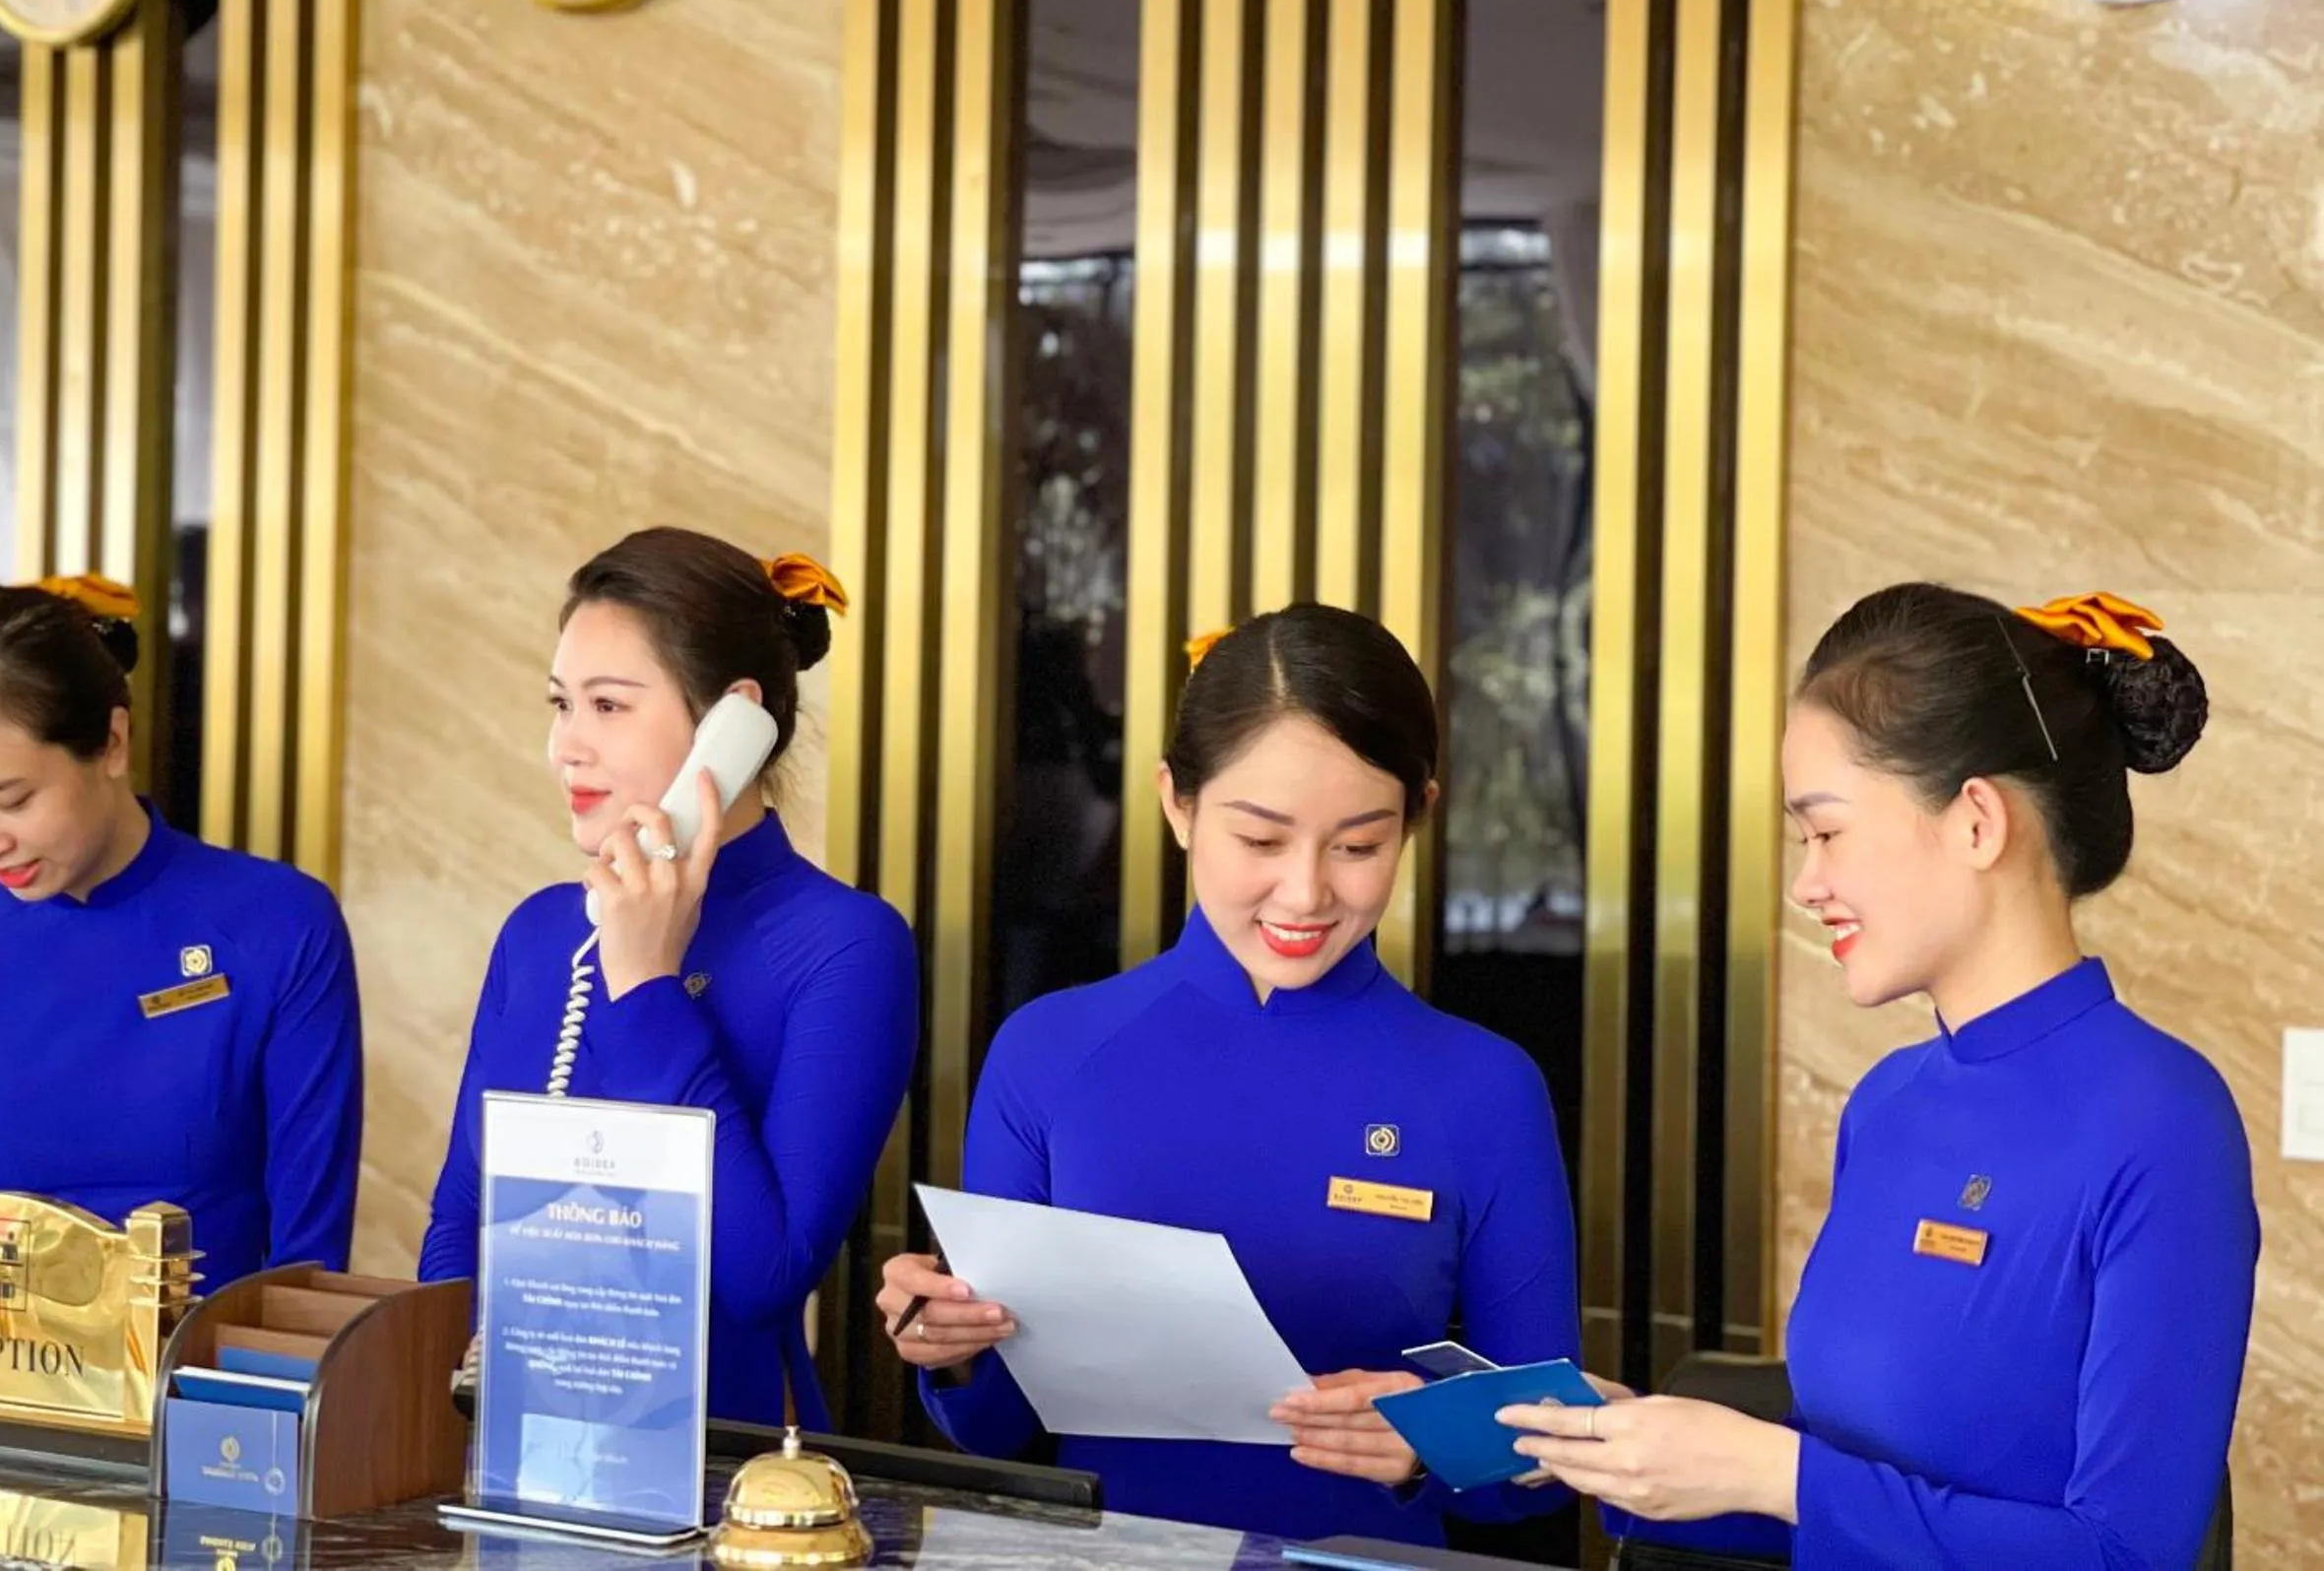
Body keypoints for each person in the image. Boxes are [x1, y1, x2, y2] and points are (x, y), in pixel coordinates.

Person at [1501, 586, 2258, 1568]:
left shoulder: (2166, 1128)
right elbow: (1850, 1503)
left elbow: (2127, 1555)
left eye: (1826, 832)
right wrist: (1630, 1450)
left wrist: (1770, 1473)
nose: (1805, 883)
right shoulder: (1888, 1105)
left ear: (1977, 822)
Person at [877, 602, 1579, 1544]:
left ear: (1418, 817)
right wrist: (950, 1350)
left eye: (1359, 846)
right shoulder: (1049, 1055)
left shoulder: (1486, 1089)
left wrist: (1425, 1438)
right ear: (1177, 803)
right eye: (1260, 840)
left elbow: (1545, 1469)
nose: (1306, 891)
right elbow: (998, 1428)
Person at [420, 530, 919, 1429]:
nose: (565, 747)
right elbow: (460, 1218)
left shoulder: (846, 946)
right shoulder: (542, 934)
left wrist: (647, 984)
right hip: (510, 1459)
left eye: (608, 706)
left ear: (731, 721)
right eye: (561, 703)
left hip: (732, 1480)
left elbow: (761, 1278)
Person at [0, 575, 363, 1288]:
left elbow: (308, 1262)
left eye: (12, 800)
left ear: (112, 741)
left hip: (197, 1385)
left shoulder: (278, 926)